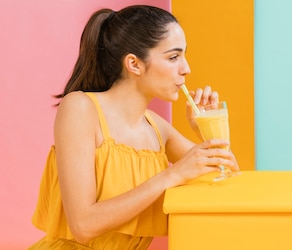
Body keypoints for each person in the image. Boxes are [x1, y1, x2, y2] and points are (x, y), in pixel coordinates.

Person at [29, 5, 239, 249]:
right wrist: (172, 175)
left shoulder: (157, 128)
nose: (186, 68)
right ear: (134, 64)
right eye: (173, 57)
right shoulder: (80, 109)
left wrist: (205, 128)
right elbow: (83, 225)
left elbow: (228, 173)